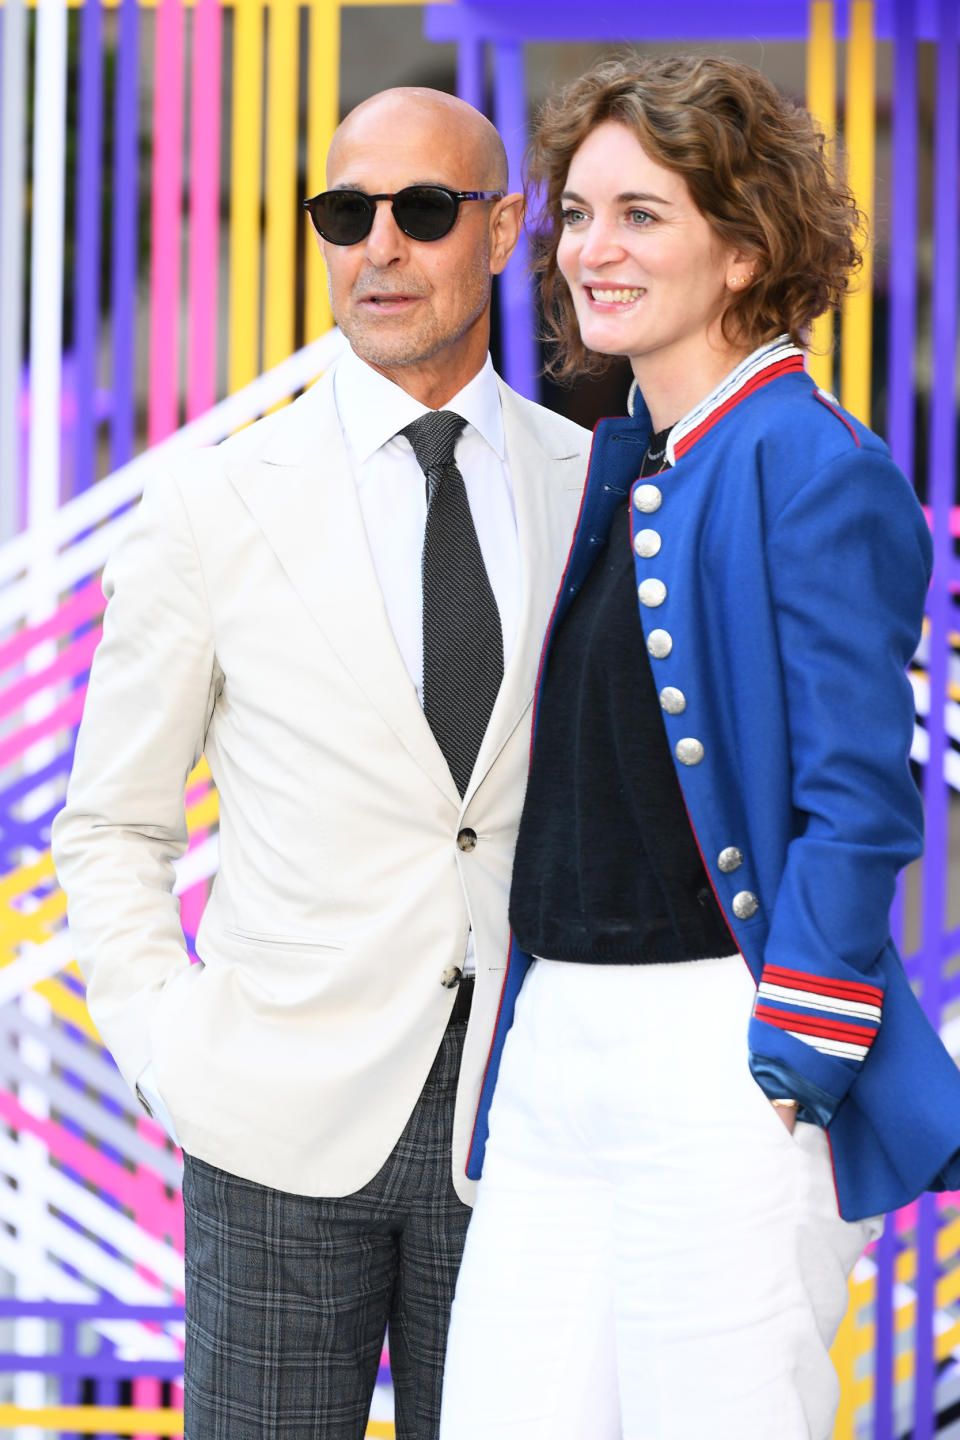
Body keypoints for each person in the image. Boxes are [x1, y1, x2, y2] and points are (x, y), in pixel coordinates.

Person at [51, 87, 590, 1440]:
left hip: (530, 1126)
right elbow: (112, 826)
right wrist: (168, 1048)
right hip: (275, 1128)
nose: (381, 247)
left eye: (421, 210)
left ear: (503, 225)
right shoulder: (210, 500)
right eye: (347, 214)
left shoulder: (593, 484)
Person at [439, 54, 960, 1440]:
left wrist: (793, 1057)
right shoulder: (633, 453)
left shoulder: (809, 459)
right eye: (578, 214)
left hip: (719, 1056)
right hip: (557, 1053)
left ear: (742, 248)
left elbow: (859, 800)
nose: (591, 251)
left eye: (642, 215)